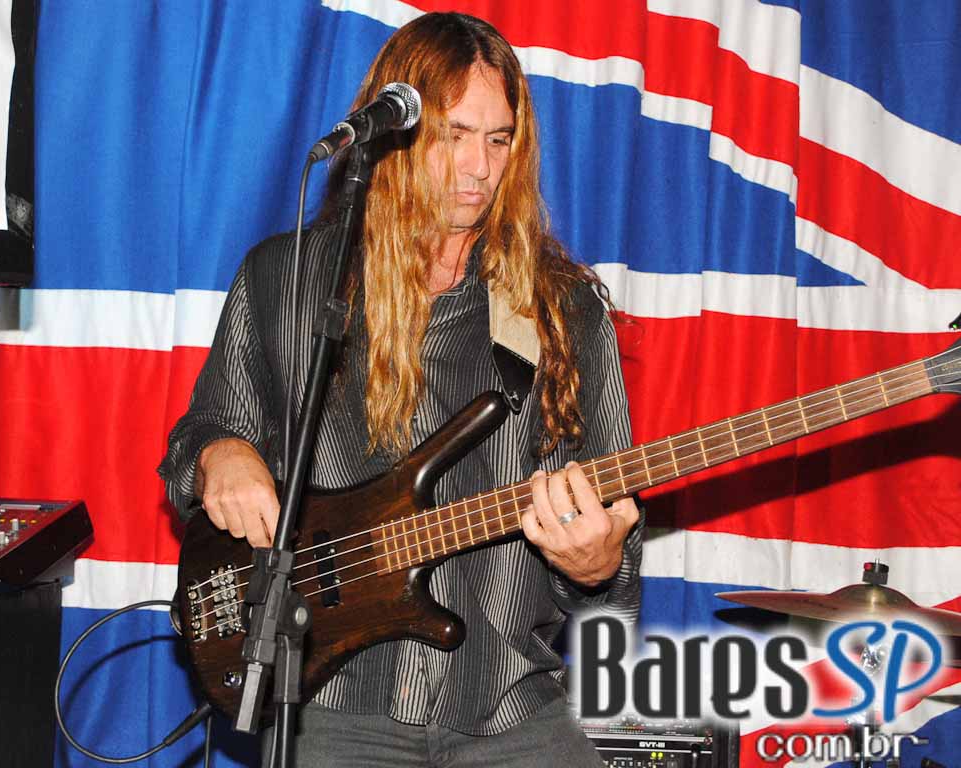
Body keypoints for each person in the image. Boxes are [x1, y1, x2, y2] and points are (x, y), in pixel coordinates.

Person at [159, 11, 643, 767]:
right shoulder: (288, 280)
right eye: (454, 135)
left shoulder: (563, 310)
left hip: (507, 700)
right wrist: (221, 454)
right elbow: (200, 436)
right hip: (331, 700)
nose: (479, 168)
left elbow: (617, 570)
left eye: (499, 140)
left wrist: (597, 564)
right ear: (395, 135)